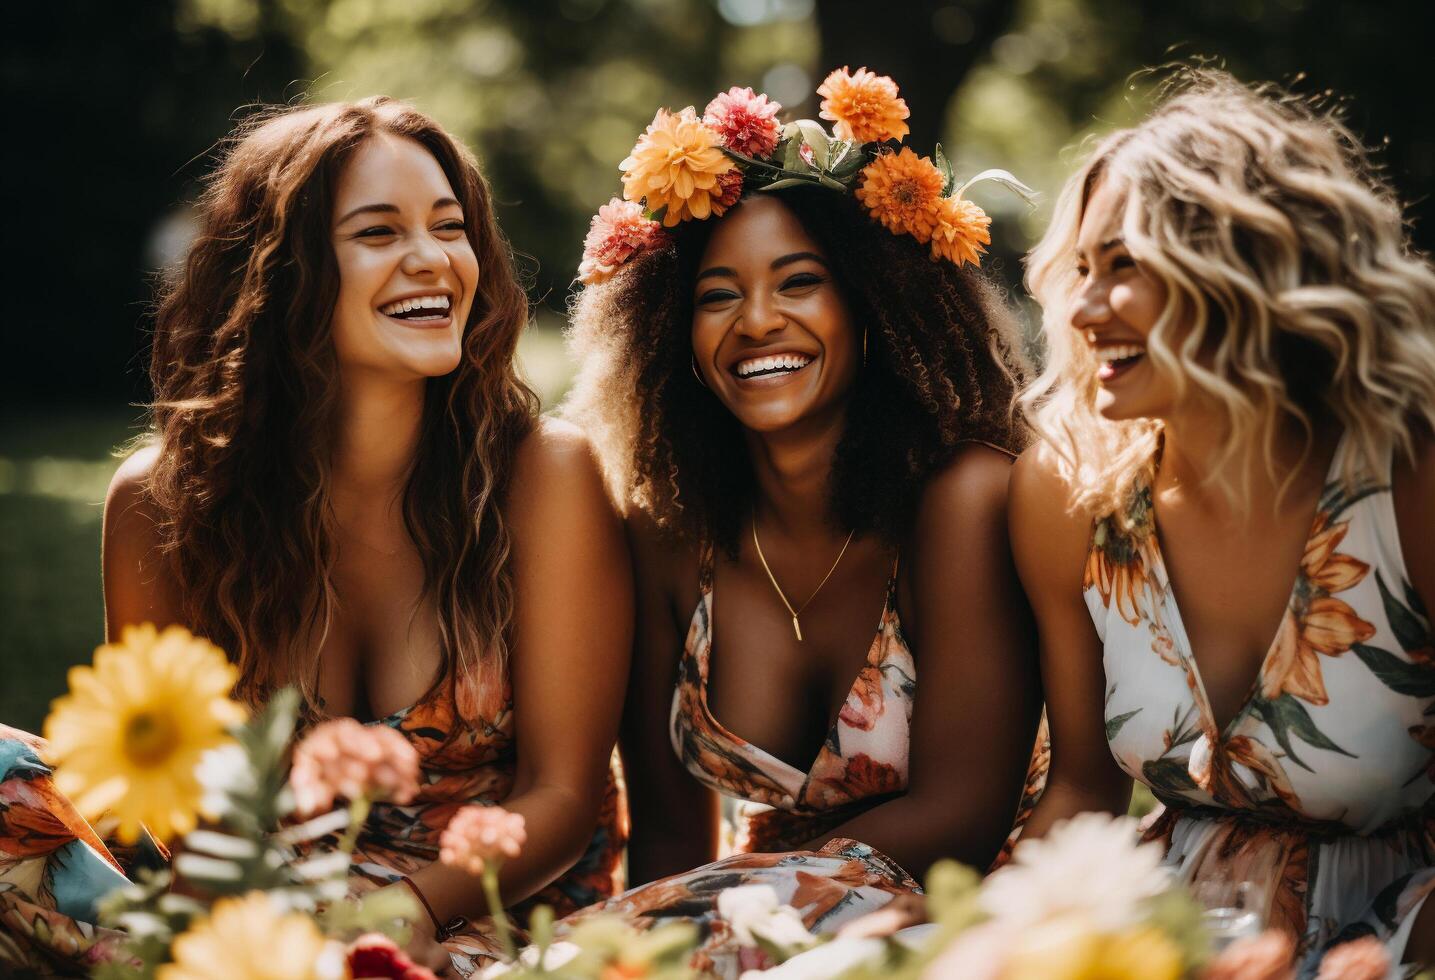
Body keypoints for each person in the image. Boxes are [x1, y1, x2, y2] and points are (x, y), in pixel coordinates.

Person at [0, 97, 632, 977]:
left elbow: (563, 796)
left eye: (449, 228)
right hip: (263, 905)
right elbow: (177, 800)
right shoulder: (160, 501)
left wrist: (404, 910)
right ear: (281, 272)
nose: (432, 260)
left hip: (493, 912)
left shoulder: (543, 475)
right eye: (378, 233)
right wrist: (265, 920)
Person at [559, 69, 1046, 972]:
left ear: (873, 308)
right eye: (715, 295)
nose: (755, 321)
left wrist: (727, 921)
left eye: (799, 283)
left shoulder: (963, 499)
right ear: (668, 332)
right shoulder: (667, 532)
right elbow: (669, 832)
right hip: (747, 937)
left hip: (964, 928)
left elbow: (960, 820)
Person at [1010, 70, 1435, 968]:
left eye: (1122, 265)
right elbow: (1081, 789)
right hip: (1161, 942)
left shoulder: (1408, 478)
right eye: (1080, 269)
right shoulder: (1068, 492)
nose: (1083, 309)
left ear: (1245, 266)